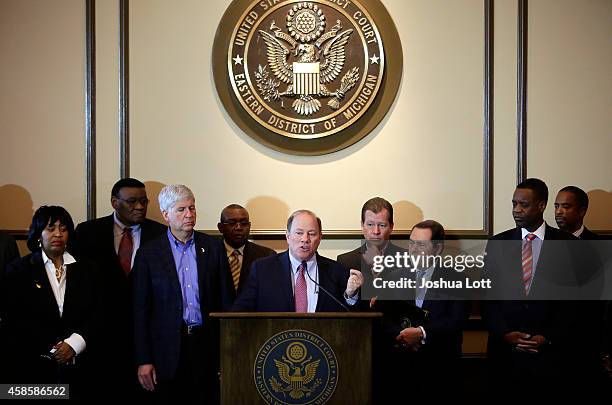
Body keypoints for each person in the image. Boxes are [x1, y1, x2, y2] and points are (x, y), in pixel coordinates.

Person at [131, 185, 234, 404]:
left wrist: (228, 353)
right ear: (166, 214)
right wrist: (144, 359)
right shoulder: (149, 253)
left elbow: (226, 300)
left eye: (192, 208)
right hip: (165, 351)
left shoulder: (213, 247)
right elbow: (140, 311)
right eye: (181, 210)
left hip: (205, 346)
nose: (189, 214)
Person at [483, 178, 583, 397]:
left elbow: (574, 303)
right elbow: (488, 296)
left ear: (541, 206)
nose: (516, 210)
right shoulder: (497, 243)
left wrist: (547, 337)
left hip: (551, 356)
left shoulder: (568, 244)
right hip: (505, 354)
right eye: (513, 204)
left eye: (523, 205)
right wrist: (505, 333)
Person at [74, 177, 166, 397]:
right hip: (99, 337)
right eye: (132, 201)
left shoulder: (161, 234)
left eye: (144, 201)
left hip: (145, 338)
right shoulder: (88, 232)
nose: (140, 207)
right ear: (115, 202)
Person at [0, 206, 100, 399]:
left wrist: (74, 344)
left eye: (63, 229)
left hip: (82, 363)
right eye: (50, 228)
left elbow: (98, 312)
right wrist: (54, 349)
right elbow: (15, 317)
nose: (58, 234)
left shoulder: (88, 269)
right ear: (38, 234)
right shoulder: (19, 270)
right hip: (33, 366)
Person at [232, 210, 363, 312]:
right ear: (287, 236)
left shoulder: (336, 271)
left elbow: (351, 318)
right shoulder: (262, 269)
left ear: (320, 237)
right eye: (299, 233)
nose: (305, 239)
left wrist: (351, 296)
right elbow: (241, 311)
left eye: (311, 233)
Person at [217, 204, 275, 294]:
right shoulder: (209, 254)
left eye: (244, 223)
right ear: (220, 227)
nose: (239, 227)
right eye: (232, 223)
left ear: (249, 226)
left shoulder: (267, 256)